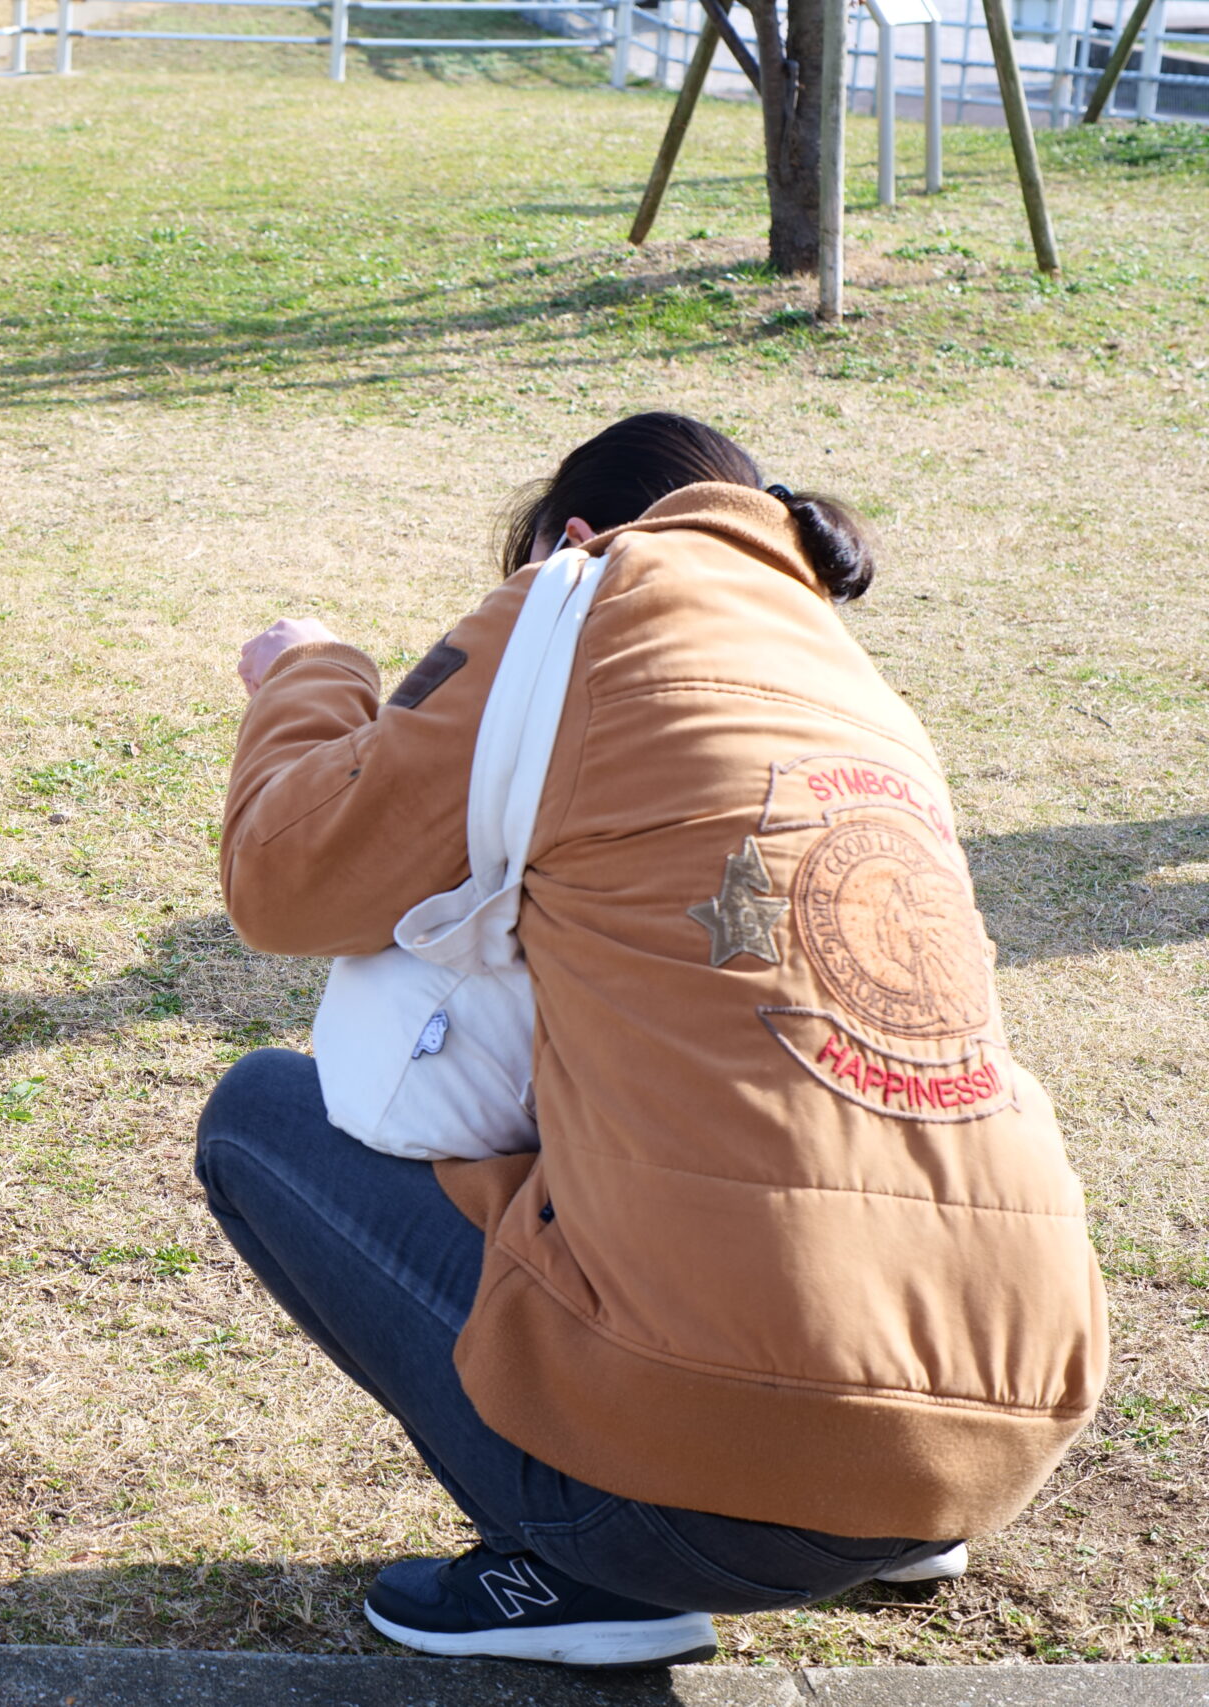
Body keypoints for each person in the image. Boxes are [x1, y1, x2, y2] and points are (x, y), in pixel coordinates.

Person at [201, 412, 1106, 1667]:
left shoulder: (582, 603)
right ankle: (882, 1518)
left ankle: (582, 1573)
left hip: (682, 1480)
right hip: (988, 1444)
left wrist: (310, 673)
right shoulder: (864, 695)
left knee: (258, 1118)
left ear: (570, 537)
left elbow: (282, 879)